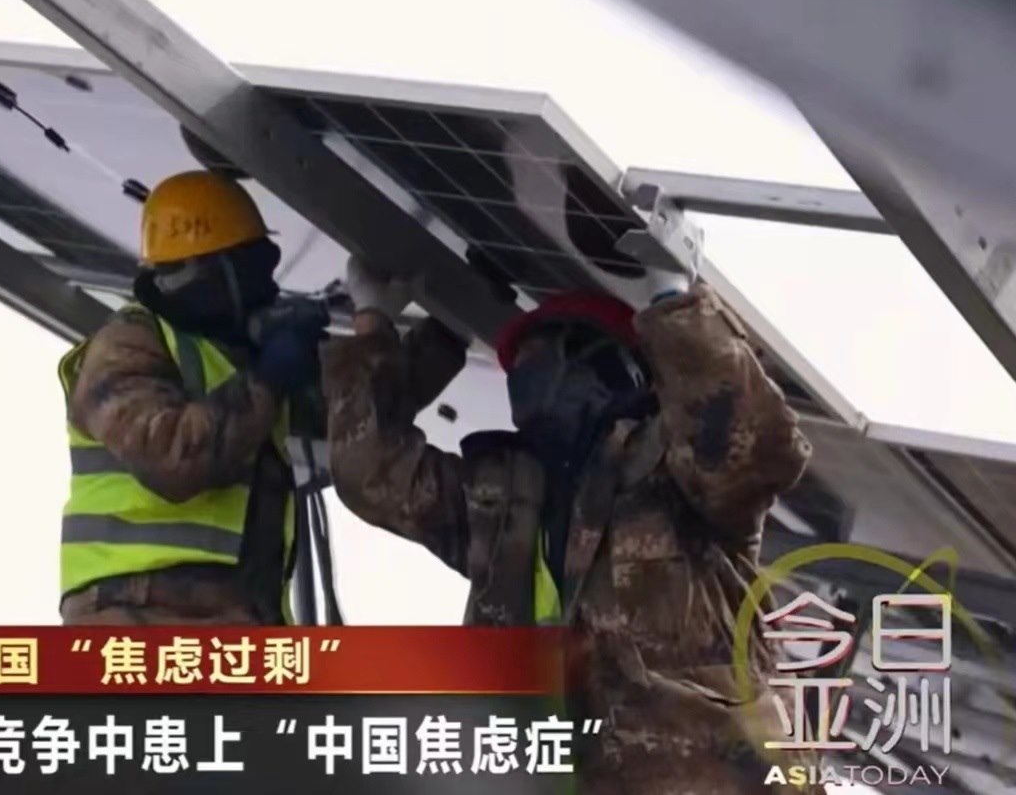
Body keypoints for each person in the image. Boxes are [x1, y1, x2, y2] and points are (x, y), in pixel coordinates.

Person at [325, 258, 821, 794]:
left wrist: (674, 310)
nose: (532, 381)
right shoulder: (499, 500)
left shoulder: (678, 479)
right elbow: (370, 472)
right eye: (523, 369)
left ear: (621, 371)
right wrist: (377, 326)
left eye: (550, 356)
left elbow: (757, 444)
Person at [54, 170, 457, 625]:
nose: (267, 288)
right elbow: (170, 456)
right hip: (137, 615)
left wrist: (396, 324)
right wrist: (268, 377)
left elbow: (357, 418)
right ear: (210, 272)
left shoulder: (238, 363)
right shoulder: (127, 345)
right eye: (254, 271)